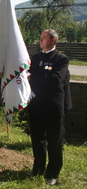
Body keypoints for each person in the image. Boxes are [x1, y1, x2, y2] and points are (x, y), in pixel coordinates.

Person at [27, 29, 72, 186]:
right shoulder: (36, 57)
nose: (41, 39)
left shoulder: (61, 59)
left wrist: (33, 77)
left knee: (54, 141)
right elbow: (28, 78)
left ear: (53, 40)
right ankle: (38, 168)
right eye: (41, 37)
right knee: (37, 139)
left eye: (44, 37)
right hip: (37, 104)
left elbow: (55, 79)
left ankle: (52, 173)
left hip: (53, 107)